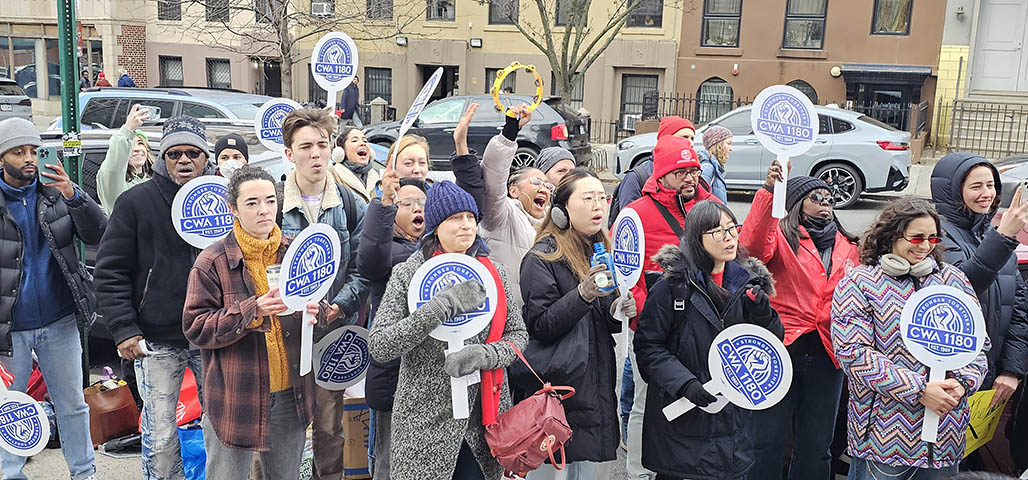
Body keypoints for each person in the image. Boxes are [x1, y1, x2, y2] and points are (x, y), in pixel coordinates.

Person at [368, 180, 528, 480]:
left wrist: (486, 355)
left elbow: (517, 335)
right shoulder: (409, 274)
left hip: (484, 422)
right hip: (424, 423)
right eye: (455, 218)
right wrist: (439, 307)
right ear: (436, 227)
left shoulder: (493, 273)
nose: (466, 225)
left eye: (471, 217)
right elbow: (380, 344)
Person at [832, 197, 990, 480]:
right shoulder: (859, 282)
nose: (925, 245)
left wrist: (963, 383)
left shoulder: (953, 279)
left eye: (933, 238)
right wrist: (919, 389)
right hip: (883, 439)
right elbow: (853, 353)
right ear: (891, 235)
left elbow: (978, 346)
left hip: (945, 436)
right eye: (917, 237)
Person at [96, 115, 215, 480]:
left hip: (215, 335)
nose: (184, 160)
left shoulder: (224, 199)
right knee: (161, 436)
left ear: (206, 158)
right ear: (162, 158)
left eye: (193, 153)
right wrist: (124, 329)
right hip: (156, 338)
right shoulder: (136, 202)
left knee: (220, 431)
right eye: (174, 153)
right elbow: (110, 270)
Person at [182, 166, 321, 479]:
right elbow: (195, 327)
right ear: (233, 209)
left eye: (270, 201)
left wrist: (318, 311)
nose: (264, 210)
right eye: (252, 203)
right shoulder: (212, 260)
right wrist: (252, 309)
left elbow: (319, 306)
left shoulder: (294, 252)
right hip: (235, 396)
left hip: (290, 393)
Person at [635, 200, 783, 480]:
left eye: (732, 228)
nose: (729, 237)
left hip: (733, 425)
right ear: (697, 238)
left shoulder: (747, 282)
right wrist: (685, 384)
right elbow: (648, 347)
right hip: (684, 427)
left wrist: (764, 315)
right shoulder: (672, 286)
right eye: (718, 232)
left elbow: (771, 345)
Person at [0, 118, 105, 480]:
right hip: (9, 329)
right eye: (18, 152)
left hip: (60, 321)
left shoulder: (55, 195)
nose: (29, 158)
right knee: (9, 410)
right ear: (2, 158)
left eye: (34, 151)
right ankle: (11, 475)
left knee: (72, 404)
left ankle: (84, 474)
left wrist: (73, 194)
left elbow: (98, 232)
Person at [740, 166, 860, 480]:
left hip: (828, 356)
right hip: (782, 350)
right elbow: (751, 247)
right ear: (795, 203)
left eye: (829, 197)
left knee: (817, 446)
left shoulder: (850, 246)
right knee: (767, 442)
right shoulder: (780, 237)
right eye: (815, 197)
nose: (825, 202)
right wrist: (769, 192)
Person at [519, 168, 634, 479]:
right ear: (562, 210)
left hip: (596, 388)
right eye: (587, 198)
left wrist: (619, 310)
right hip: (559, 392)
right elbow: (540, 325)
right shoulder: (542, 258)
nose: (598, 206)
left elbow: (602, 318)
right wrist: (582, 294)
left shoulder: (600, 250)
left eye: (602, 197)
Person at [278, 107, 370, 480]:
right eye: (305, 147)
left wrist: (340, 305)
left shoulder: (351, 203)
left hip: (331, 330)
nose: (315, 154)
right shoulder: (272, 203)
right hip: (282, 334)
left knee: (330, 427)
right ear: (289, 153)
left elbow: (363, 269)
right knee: (278, 424)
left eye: (322, 144)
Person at [621, 133, 716, 479]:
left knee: (698, 400)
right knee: (645, 402)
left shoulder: (710, 207)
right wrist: (648, 318)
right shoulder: (636, 214)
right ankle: (639, 472)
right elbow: (627, 272)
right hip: (656, 330)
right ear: (661, 175)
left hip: (703, 329)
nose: (690, 178)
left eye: (694, 170)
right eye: (681, 172)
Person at [930, 153, 1028, 411]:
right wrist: (1004, 236)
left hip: (989, 376)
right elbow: (960, 292)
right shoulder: (936, 235)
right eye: (976, 186)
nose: (987, 193)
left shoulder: (993, 235)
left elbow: (1018, 310)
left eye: (991, 185)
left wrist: (1011, 369)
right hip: (948, 378)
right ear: (953, 191)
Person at [472, 105, 550, 302]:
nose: (543, 188)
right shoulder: (503, 215)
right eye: (536, 182)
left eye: (547, 185)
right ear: (514, 190)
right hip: (504, 309)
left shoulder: (553, 224)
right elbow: (494, 175)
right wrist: (510, 132)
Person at [611, 115, 696, 220]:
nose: (690, 143)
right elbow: (628, 220)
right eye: (684, 137)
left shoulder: (693, 176)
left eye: (692, 138)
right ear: (665, 140)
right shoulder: (636, 177)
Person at [96, 104, 155, 214]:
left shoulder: (156, 179)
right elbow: (113, 168)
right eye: (131, 145)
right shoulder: (115, 183)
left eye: (140, 143)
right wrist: (128, 129)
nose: (137, 149)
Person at [332, 126, 381, 202]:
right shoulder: (332, 176)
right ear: (341, 151)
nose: (363, 144)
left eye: (365, 141)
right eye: (354, 141)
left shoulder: (377, 178)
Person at [697, 125, 732, 203]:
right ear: (718, 145)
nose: (731, 148)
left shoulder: (715, 166)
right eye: (728, 143)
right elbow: (699, 198)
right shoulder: (708, 168)